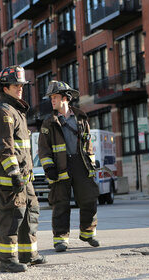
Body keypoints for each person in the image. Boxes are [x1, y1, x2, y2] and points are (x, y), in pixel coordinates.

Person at [0, 65, 46, 273]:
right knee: (12, 216)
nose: (20, 88)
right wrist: (13, 173)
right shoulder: (3, 112)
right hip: (11, 177)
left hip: (25, 177)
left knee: (31, 212)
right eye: (15, 85)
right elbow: (4, 146)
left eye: (21, 85)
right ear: (5, 88)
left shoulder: (16, 111)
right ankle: (7, 260)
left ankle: (28, 254)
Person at [38, 80, 100, 253]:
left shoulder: (81, 119)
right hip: (60, 167)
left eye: (55, 97)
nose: (52, 100)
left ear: (66, 98)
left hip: (81, 165)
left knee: (89, 199)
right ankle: (60, 240)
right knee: (60, 203)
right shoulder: (48, 123)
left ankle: (88, 233)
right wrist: (49, 167)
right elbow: (43, 149)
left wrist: (91, 163)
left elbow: (88, 145)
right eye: (51, 98)